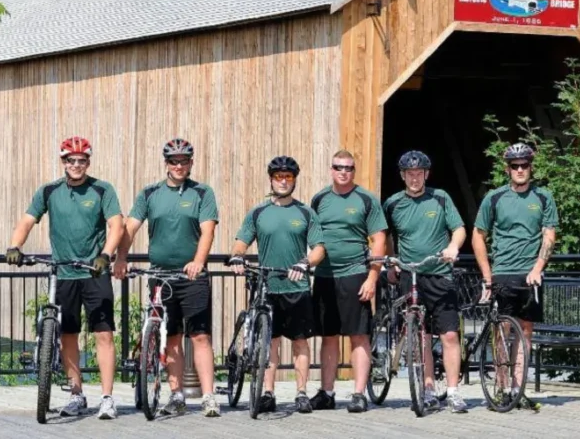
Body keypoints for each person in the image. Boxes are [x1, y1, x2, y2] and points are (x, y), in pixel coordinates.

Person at [5, 136, 123, 419]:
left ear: (88, 162)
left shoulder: (102, 189)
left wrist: (105, 255)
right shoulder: (49, 191)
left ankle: (107, 398)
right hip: (64, 273)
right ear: (63, 162)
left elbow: (116, 225)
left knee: (103, 333)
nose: (76, 165)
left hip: (94, 272)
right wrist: (15, 246)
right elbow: (27, 220)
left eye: (81, 160)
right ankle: (76, 395)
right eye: (71, 160)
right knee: (68, 335)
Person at [114, 138, 221, 417]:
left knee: (200, 336)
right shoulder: (150, 193)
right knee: (171, 337)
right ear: (166, 164)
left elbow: (208, 231)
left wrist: (198, 262)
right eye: (174, 161)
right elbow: (130, 227)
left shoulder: (202, 192)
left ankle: (209, 397)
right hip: (160, 276)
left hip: (192, 277)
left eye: (184, 161)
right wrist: (121, 257)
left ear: (191, 163)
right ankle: (176, 396)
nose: (179, 166)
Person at [229, 156, 325, 414]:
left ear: (294, 181)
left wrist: (305, 262)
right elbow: (241, 241)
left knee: (300, 341)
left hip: (297, 286)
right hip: (267, 287)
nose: (283, 181)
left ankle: (301, 393)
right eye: (279, 177)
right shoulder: (258, 212)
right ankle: (268, 393)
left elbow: (319, 248)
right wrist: (237, 256)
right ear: (271, 180)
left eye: (288, 177)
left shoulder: (305, 212)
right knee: (270, 342)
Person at [472, 142, 557, 410]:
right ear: (507, 169)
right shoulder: (494, 198)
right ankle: (502, 388)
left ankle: (519, 388)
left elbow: (549, 235)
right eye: (514, 166)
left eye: (524, 165)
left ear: (531, 167)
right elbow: (478, 235)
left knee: (526, 331)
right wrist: (487, 276)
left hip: (530, 274)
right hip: (503, 272)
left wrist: (537, 269)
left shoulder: (543, 197)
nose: (520, 170)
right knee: (501, 331)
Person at [382, 150, 468, 413]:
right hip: (411, 274)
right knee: (422, 336)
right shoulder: (393, 204)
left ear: (426, 174)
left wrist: (453, 247)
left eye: (419, 173)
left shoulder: (440, 198)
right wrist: (392, 262)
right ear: (402, 175)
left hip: (439, 273)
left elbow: (459, 228)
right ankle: (428, 389)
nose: (414, 178)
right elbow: (385, 235)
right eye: (410, 174)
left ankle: (453, 392)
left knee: (449, 334)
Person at [308, 150, 387, 413]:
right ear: (331, 169)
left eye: (349, 168)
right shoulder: (319, 199)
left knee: (359, 336)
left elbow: (379, 240)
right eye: (339, 167)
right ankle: (327, 393)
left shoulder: (366, 199)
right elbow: (310, 234)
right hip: (324, 276)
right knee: (328, 337)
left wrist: (372, 277)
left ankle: (358, 394)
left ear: (354, 170)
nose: (344, 172)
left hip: (355, 274)